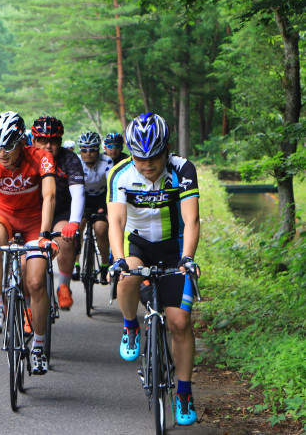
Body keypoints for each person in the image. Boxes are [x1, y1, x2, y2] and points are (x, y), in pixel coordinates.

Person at [107, 113, 201, 426]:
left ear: (167, 149)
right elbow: (116, 221)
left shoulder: (182, 169)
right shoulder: (119, 173)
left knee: (179, 321)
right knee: (126, 277)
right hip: (138, 248)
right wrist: (119, 258)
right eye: (139, 159)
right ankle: (130, 326)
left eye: (154, 159)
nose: (147, 166)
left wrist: (187, 257)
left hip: (174, 251)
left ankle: (184, 392)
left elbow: (191, 220)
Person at [0, 111, 57, 375]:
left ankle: (39, 345)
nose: (2, 153)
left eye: (8, 146)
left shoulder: (41, 158)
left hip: (33, 222)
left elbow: (50, 195)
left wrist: (44, 234)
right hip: (3, 215)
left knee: (35, 283)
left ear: (21, 141)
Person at [30, 116, 85, 310]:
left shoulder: (69, 159)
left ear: (60, 142)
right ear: (33, 140)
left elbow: (78, 193)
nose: (48, 146)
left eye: (53, 141)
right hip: (33, 212)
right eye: (42, 140)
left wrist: (74, 222)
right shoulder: (26, 157)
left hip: (62, 210)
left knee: (65, 238)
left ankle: (64, 286)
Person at [77, 131, 113, 283]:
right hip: (82, 196)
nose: (88, 153)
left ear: (98, 150)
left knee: (101, 229)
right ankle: (76, 264)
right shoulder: (76, 161)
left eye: (92, 149)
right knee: (77, 228)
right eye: (84, 150)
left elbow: (111, 184)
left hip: (100, 197)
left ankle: (104, 265)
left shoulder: (106, 161)